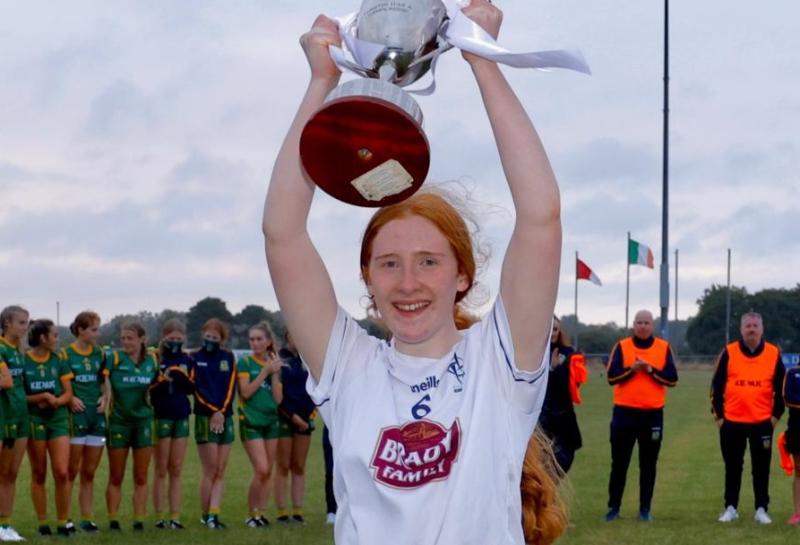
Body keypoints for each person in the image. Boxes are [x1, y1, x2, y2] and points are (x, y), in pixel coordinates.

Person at [263, 2, 566, 543]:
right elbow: (282, 235)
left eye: (429, 261)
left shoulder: (498, 364)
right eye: (389, 264)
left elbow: (541, 216)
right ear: (369, 280)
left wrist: (484, 61)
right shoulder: (349, 368)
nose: (408, 282)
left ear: (461, 276)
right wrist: (321, 84)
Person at [711, 311, 785, 524]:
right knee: (733, 467)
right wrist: (720, 418)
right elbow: (716, 387)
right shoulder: (729, 352)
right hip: (732, 422)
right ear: (741, 330)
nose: (751, 329)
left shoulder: (773, 353)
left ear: (762, 329)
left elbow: (781, 389)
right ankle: (731, 507)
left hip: (761, 423)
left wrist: (774, 417)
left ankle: (761, 509)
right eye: (748, 326)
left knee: (761, 469)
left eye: (755, 326)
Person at [605, 309, 678, 522]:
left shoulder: (663, 348)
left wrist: (650, 370)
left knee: (648, 464)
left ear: (652, 325)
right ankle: (613, 508)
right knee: (619, 463)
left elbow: (672, 379)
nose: (643, 326)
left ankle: (645, 509)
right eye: (639, 322)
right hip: (624, 414)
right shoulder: (622, 346)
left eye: (646, 323)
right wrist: (632, 369)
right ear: (633, 324)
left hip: (652, 415)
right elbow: (611, 377)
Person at [104, 322, 161, 531]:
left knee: (141, 475)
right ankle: (113, 520)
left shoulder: (152, 360)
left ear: (142, 339)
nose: (125, 342)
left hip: (143, 422)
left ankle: (139, 520)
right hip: (119, 422)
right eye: (123, 338)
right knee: (116, 475)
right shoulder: (114, 358)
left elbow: (156, 385)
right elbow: (103, 382)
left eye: (130, 338)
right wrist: (104, 396)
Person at [23, 319, 74, 536]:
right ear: (43, 338)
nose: (57, 339)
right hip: (35, 421)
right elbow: (20, 396)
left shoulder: (59, 359)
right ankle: (43, 524)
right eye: (54, 335)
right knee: (39, 472)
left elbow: (68, 393)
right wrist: (40, 397)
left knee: (62, 472)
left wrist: (56, 401)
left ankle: (63, 523)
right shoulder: (24, 361)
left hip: (58, 419)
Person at [63, 311, 108, 533]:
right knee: (71, 471)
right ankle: (66, 518)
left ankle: (87, 519)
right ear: (80, 330)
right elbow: (61, 384)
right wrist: (71, 398)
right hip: (76, 417)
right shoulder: (66, 354)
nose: (98, 334)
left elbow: (104, 382)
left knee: (89, 472)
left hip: (97, 417)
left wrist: (105, 397)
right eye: (94, 329)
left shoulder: (100, 353)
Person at [191, 318, 236, 529]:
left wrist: (221, 412)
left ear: (222, 339)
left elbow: (231, 388)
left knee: (220, 470)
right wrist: (212, 411)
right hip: (204, 417)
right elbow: (196, 389)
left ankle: (214, 515)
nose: (210, 340)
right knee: (210, 470)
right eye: (207, 336)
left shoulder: (228, 357)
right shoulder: (194, 357)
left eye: (215, 337)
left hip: (225, 416)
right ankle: (205, 514)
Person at [237, 322, 283, 528]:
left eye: (259, 339)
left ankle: (261, 514)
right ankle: (252, 514)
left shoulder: (274, 364)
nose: (255, 343)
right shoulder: (245, 363)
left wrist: (274, 373)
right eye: (252, 339)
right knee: (261, 469)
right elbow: (245, 392)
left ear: (268, 341)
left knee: (268, 471)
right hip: (251, 422)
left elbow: (278, 399)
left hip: (271, 422)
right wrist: (265, 372)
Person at [150, 319, 194, 529]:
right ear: (164, 337)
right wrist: (162, 380)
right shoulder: (155, 357)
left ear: (183, 338)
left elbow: (192, 388)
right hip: (161, 416)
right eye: (171, 338)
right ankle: (159, 517)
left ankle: (175, 517)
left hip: (181, 416)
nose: (175, 341)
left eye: (179, 338)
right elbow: (149, 387)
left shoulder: (187, 359)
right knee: (161, 468)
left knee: (176, 468)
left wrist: (183, 379)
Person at [274, 331, 316, 524]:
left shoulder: (308, 359)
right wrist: (292, 416)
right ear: (288, 337)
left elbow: (315, 388)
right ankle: (282, 512)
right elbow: (278, 394)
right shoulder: (280, 359)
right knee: (283, 466)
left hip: (305, 419)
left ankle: (297, 511)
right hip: (286, 417)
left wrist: (309, 415)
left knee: (299, 466)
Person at [538, 317, 587, 474]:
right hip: (541, 416)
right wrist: (551, 369)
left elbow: (571, 385)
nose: (552, 333)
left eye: (555, 329)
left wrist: (566, 370)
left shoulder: (569, 353)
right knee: (540, 462)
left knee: (564, 460)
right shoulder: (533, 353)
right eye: (549, 328)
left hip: (564, 416)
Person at [0, 305, 31, 542]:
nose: (25, 327)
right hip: (4, 416)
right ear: (7, 323)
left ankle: (5, 525)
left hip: (20, 416)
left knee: (11, 474)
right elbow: (7, 382)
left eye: (27, 322)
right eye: (21, 322)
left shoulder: (20, 350)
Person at [781, 360, 800, 525]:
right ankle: (798, 513)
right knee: (799, 471)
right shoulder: (793, 373)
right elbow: (787, 397)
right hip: (797, 430)